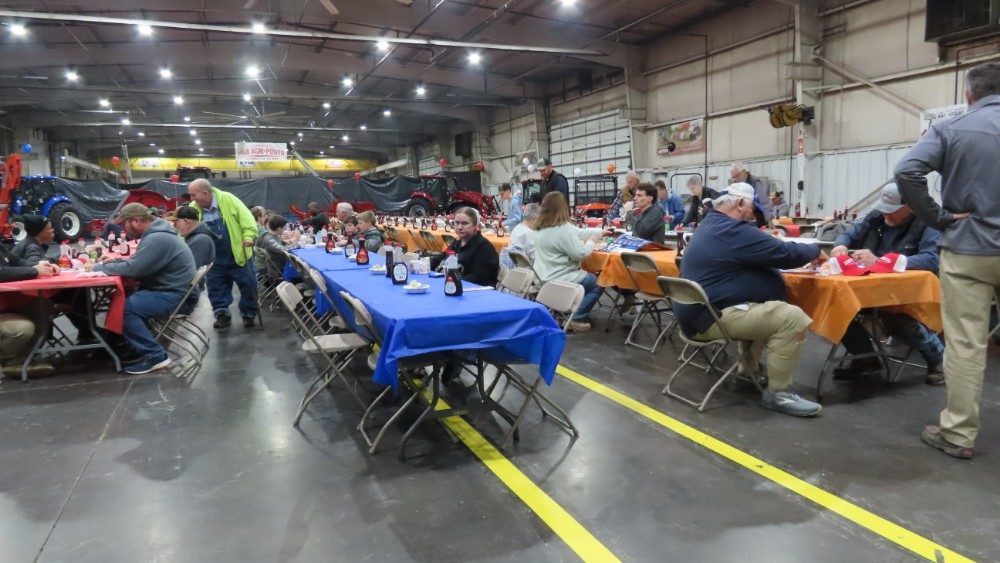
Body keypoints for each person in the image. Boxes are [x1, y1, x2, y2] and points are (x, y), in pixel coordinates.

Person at [894, 61, 1000, 459]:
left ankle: (957, 433)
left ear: (969, 95)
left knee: (966, 344)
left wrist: (937, 217)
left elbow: (907, 171)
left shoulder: (950, 128)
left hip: (968, 247)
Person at [674, 183, 825, 417]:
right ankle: (780, 393)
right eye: (752, 209)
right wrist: (815, 250)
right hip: (709, 319)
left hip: (699, 314)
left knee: (762, 307)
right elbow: (784, 253)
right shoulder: (733, 231)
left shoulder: (710, 225)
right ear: (739, 203)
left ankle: (747, 375)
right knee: (792, 319)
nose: (753, 216)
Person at [829, 183, 944, 384]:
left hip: (909, 293)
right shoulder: (877, 216)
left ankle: (939, 360)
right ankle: (866, 358)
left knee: (898, 318)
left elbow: (932, 259)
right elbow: (849, 234)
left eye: (892, 210)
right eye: (883, 208)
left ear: (911, 206)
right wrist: (840, 245)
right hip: (873, 288)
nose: (885, 213)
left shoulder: (929, 222)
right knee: (835, 307)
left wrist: (881, 261)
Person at [90, 203, 197, 375]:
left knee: (125, 309)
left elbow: (135, 269)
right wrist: (117, 262)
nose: (122, 229)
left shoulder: (157, 238)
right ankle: (133, 347)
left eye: (124, 224)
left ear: (137, 221)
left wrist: (99, 268)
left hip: (176, 297)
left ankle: (156, 357)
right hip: (178, 292)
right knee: (128, 299)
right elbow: (140, 263)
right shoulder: (158, 235)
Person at [533, 192, 611, 332]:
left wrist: (601, 232)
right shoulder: (562, 229)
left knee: (589, 280)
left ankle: (563, 312)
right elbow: (580, 254)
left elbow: (578, 232)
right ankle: (575, 318)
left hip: (543, 277)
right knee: (598, 283)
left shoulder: (540, 228)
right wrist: (591, 242)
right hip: (561, 277)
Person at [187, 178, 259, 330]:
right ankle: (221, 314)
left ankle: (248, 314)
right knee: (215, 286)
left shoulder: (228, 200)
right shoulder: (193, 208)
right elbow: (186, 229)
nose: (191, 199)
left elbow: (247, 220)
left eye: (194, 195)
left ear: (205, 193)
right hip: (214, 258)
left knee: (249, 285)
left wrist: (248, 237)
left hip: (238, 253)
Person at [0, 245, 58, 375]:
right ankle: (8, 360)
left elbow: (18, 262)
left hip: (7, 303)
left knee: (42, 306)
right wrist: (34, 270)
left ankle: (22, 359)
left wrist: (44, 266)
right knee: (23, 329)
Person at [430, 207, 499, 287]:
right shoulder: (457, 243)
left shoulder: (484, 247)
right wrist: (424, 264)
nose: (460, 227)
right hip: (456, 285)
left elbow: (479, 277)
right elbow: (440, 258)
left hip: (477, 290)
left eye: (465, 223)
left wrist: (453, 282)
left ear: (475, 225)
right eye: (457, 223)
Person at [172, 205, 218, 270]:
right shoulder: (196, 238)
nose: (174, 226)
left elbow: (185, 270)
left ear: (186, 222)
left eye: (175, 223)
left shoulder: (201, 240)